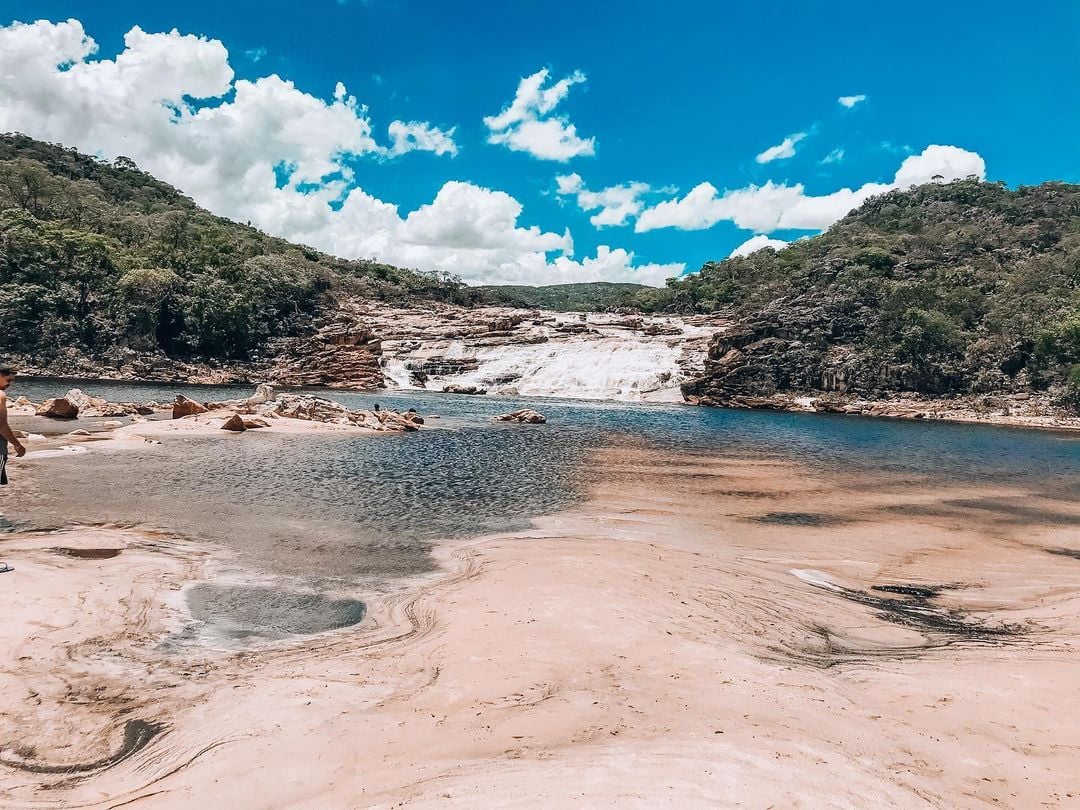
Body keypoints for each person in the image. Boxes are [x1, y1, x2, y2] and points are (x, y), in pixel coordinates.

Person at [0, 365, 24, 574]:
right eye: (9, 380)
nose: (10, 384)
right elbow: (2, 426)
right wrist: (17, 445)